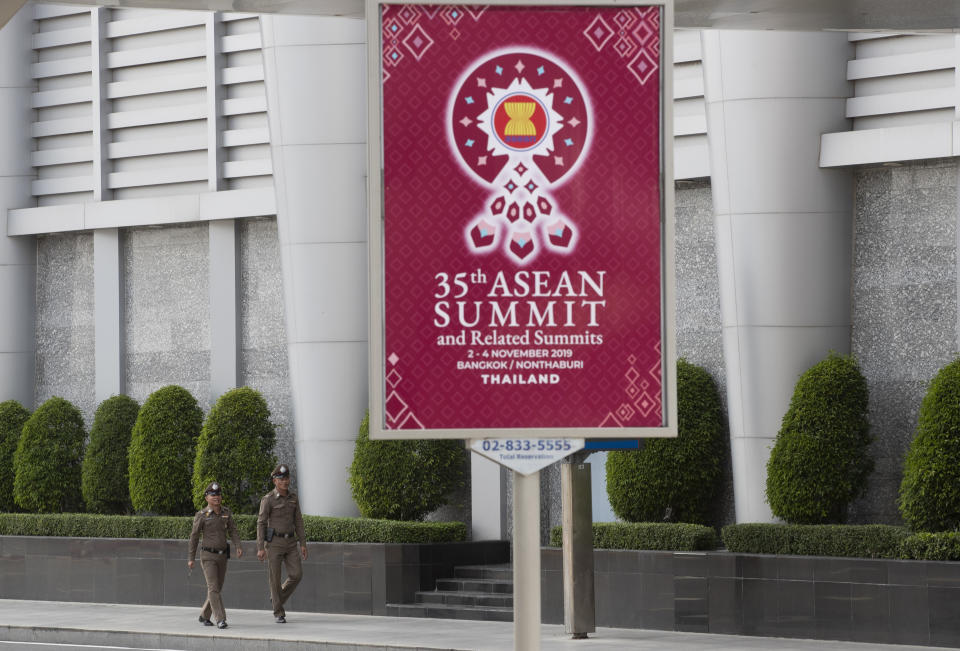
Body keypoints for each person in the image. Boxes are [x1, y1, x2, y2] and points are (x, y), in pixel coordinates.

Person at [187, 481, 242, 629]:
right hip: (208, 556)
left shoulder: (226, 512)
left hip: (222, 556)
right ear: (207, 498)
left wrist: (238, 546)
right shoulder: (202, 515)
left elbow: (233, 531)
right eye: (213, 495)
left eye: (218, 494)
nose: (216, 497)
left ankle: (204, 615)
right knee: (213, 587)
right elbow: (194, 537)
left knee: (217, 587)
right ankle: (220, 619)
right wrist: (191, 558)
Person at [256, 463, 307, 623]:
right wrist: (260, 547)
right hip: (274, 543)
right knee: (275, 579)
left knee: (297, 574)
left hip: (291, 542)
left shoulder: (293, 498)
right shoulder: (268, 500)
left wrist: (303, 543)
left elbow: (298, 521)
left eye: (287, 478)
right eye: (281, 479)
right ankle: (278, 611)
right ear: (275, 481)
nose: (285, 481)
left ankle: (277, 598)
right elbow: (261, 523)